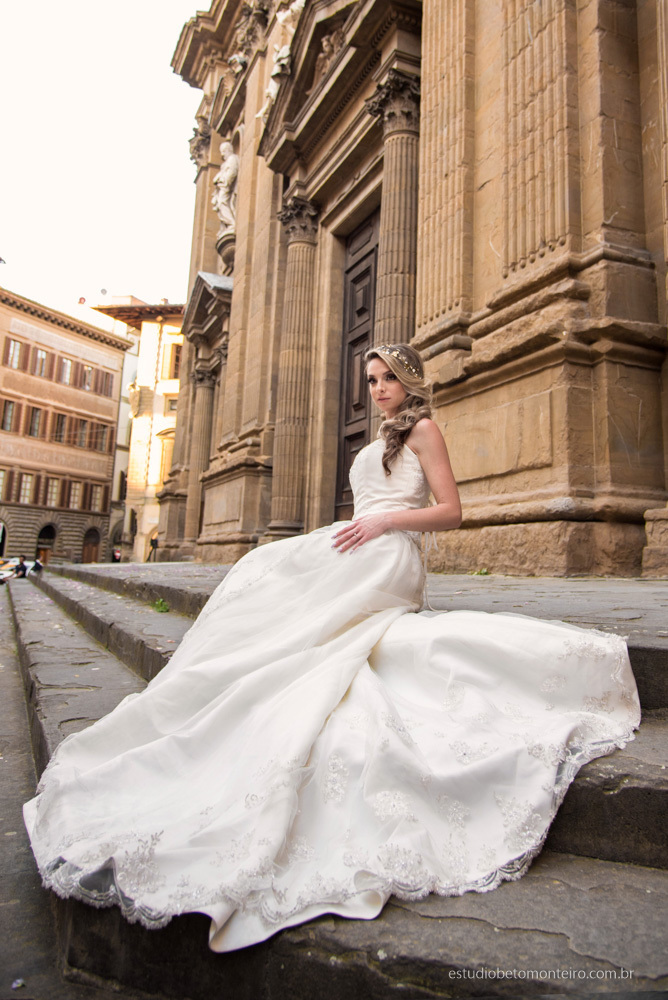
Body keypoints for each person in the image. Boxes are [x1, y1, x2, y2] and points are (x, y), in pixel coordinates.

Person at [23, 344, 640, 953]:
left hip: (389, 557)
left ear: (409, 380)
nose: (377, 389)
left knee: (300, 607)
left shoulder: (424, 430)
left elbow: (451, 512)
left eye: (387, 378)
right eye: (370, 380)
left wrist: (386, 522)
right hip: (357, 545)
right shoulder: (381, 437)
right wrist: (360, 526)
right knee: (263, 572)